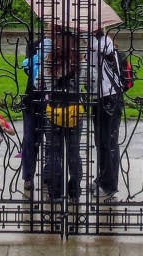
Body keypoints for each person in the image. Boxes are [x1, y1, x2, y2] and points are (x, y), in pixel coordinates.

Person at [42, 27, 82, 201]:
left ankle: (55, 191)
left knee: (53, 152)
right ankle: (74, 190)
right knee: (74, 152)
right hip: (74, 112)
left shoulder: (50, 61)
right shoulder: (80, 62)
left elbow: (39, 82)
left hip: (54, 111)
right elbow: (92, 81)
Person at [87, 29, 123, 200]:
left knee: (108, 142)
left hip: (109, 97)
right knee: (101, 141)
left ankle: (109, 184)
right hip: (99, 96)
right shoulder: (96, 43)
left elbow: (99, 49)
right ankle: (103, 178)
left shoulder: (103, 43)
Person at [20, 37, 51, 195]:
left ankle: (48, 174)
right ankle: (28, 176)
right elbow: (27, 67)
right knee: (30, 139)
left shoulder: (65, 43)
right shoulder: (35, 43)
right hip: (33, 98)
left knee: (52, 140)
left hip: (53, 101)